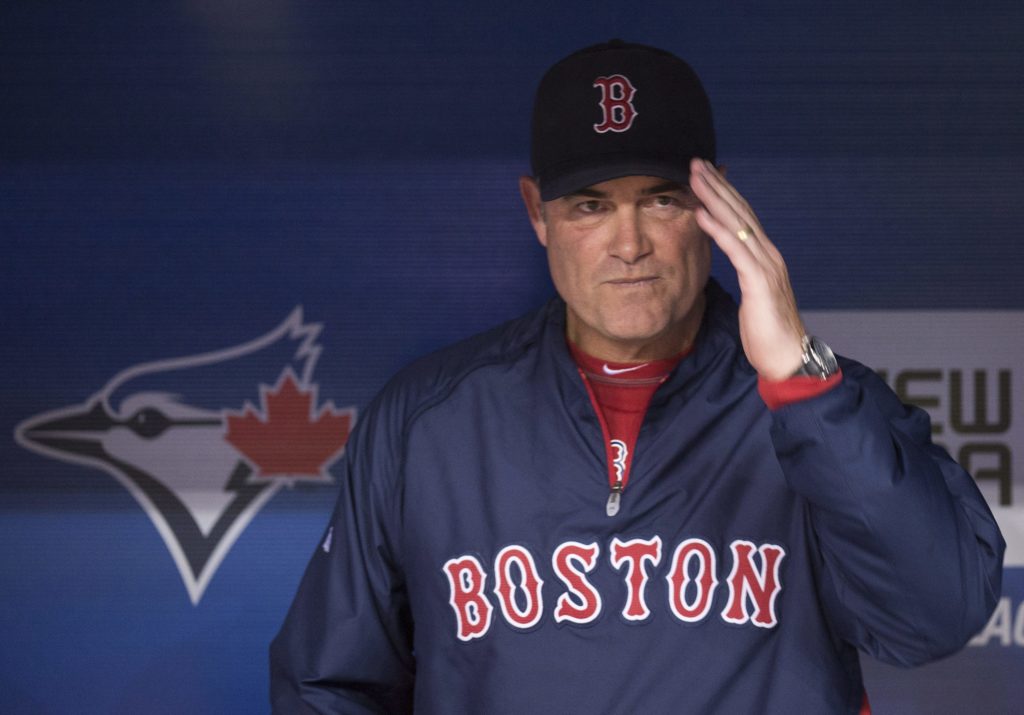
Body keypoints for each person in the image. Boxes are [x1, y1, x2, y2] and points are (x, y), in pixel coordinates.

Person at [270, 40, 1004, 714]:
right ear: (538, 213)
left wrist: (799, 380)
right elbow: (326, 684)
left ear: (718, 203)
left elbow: (938, 614)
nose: (630, 244)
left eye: (661, 198)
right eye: (592, 205)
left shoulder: (823, 407)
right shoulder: (429, 420)